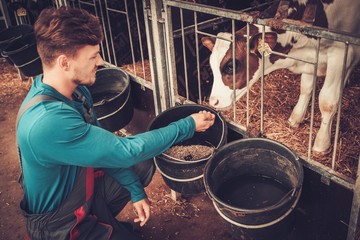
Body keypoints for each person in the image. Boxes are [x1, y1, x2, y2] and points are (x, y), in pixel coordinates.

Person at [16, 7, 215, 240]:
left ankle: (102, 219)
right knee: (135, 155)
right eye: (92, 56)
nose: (100, 62)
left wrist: (135, 191)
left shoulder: (76, 92)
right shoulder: (47, 121)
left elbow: (104, 151)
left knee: (141, 163)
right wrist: (188, 125)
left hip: (84, 192)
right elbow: (125, 151)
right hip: (59, 225)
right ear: (64, 62)